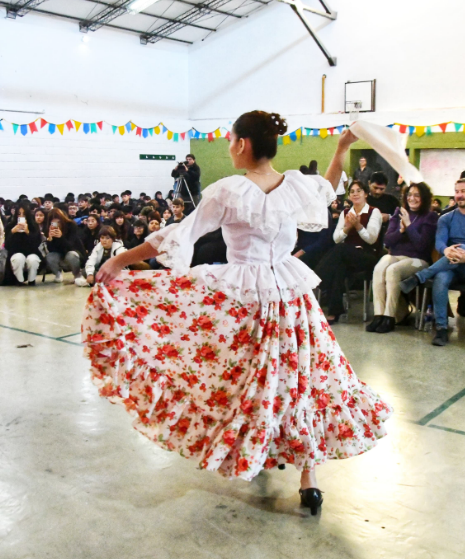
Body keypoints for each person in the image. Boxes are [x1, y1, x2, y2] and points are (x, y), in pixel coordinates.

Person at [82, 111, 391, 515]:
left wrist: (121, 259)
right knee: (300, 381)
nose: (229, 146)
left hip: (247, 299)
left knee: (248, 383)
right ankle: (306, 477)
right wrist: (341, 146)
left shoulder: (229, 191)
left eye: (230, 140)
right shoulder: (293, 185)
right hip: (289, 295)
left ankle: (264, 452)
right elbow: (327, 188)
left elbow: (177, 234)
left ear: (243, 144)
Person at [399, 178, 465, 346]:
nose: (459, 195)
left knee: (463, 247)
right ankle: (442, 329)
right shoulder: (446, 218)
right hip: (449, 264)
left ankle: (420, 276)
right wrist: (446, 250)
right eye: (457, 191)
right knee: (441, 277)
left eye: (463, 191)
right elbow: (440, 242)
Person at [368, 182, 438, 333]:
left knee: (393, 270)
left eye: (417, 195)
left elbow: (422, 246)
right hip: (396, 255)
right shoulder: (398, 211)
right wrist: (400, 231)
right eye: (410, 195)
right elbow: (387, 241)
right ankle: (378, 315)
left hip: (419, 260)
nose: (412, 198)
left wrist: (409, 226)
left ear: (424, 198)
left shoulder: (430, 216)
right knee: (381, 265)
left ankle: (389, 317)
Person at [315, 180, 382, 323]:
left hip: (366, 255)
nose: (355, 194)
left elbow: (371, 239)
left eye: (359, 191)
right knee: (338, 266)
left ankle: (318, 277)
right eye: (352, 191)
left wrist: (357, 226)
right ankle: (335, 311)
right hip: (346, 255)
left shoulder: (373, 212)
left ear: (365, 194)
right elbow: (336, 238)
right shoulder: (345, 212)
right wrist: (346, 228)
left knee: (339, 250)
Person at [45, 207, 88, 285]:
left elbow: (70, 246)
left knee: (71, 255)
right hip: (58, 253)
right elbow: (51, 250)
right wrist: (50, 239)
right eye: (53, 222)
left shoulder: (71, 225)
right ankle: (57, 274)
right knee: (50, 256)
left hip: (73, 252)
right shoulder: (48, 228)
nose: (56, 225)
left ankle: (77, 275)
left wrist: (61, 237)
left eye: (58, 222)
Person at [4, 201, 43, 285]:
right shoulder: (10, 226)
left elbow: (37, 243)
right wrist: (12, 232)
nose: (21, 216)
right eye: (19, 214)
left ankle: (31, 280)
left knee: (32, 259)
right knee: (18, 258)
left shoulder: (33, 226)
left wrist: (28, 232)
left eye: (24, 214)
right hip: (15, 253)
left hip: (32, 252)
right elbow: (7, 245)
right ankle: (19, 280)